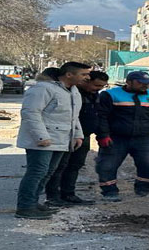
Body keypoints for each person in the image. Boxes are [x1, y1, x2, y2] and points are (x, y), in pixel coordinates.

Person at [15, 62, 90, 219]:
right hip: (43, 141)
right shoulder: (43, 88)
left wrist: (78, 134)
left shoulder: (73, 91)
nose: (87, 77)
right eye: (83, 74)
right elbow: (31, 113)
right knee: (37, 172)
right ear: (69, 74)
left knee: (48, 172)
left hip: (62, 139)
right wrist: (41, 137)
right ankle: (25, 207)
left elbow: (73, 117)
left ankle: (34, 203)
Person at [95, 71, 149, 201]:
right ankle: (109, 191)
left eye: (147, 83)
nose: (144, 86)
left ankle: (143, 190)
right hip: (116, 138)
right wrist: (103, 135)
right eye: (140, 83)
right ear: (129, 82)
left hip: (144, 138)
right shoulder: (110, 95)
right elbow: (101, 116)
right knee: (107, 165)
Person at [45, 70, 109, 207]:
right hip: (67, 135)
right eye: (97, 86)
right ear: (87, 81)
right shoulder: (72, 94)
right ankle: (52, 196)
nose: (99, 89)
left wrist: (102, 135)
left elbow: (99, 116)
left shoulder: (94, 96)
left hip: (83, 136)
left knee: (75, 165)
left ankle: (68, 194)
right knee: (59, 166)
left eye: (102, 86)